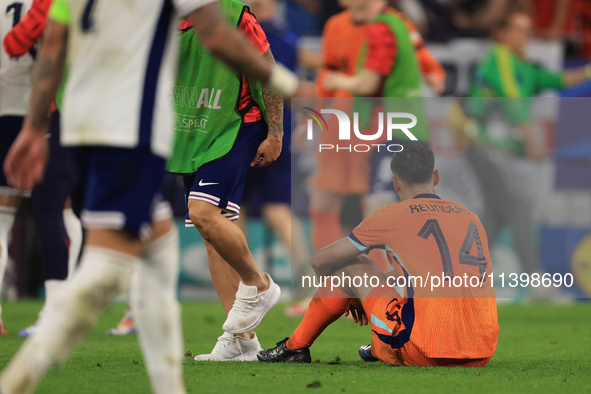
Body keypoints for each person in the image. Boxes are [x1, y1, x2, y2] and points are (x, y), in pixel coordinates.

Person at [0, 0, 311, 392]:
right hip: (131, 134)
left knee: (159, 254)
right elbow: (217, 35)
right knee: (107, 270)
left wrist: (33, 127)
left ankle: (194, 369)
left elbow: (28, 44)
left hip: (79, 128)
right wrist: (290, 83)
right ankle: (16, 381)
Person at [258, 143, 500, 367]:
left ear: (395, 183)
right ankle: (378, 345)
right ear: (435, 177)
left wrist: (346, 292)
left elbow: (319, 259)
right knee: (397, 281)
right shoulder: (470, 217)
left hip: (426, 352)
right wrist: (362, 292)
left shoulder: (392, 216)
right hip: (481, 352)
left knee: (354, 265)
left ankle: (295, 348)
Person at [167, 0, 284, 360]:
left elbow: (269, 71)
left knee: (202, 212)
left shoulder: (236, 15)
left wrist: (276, 132)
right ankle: (242, 342)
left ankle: (260, 284)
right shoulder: (160, 17)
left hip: (236, 124)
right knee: (212, 230)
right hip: (192, 130)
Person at [449, 9, 591, 293]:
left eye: (527, 30)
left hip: (498, 146)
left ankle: (462, 279)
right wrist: (532, 143)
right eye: (518, 28)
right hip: (481, 143)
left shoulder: (524, 66)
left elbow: (558, 81)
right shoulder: (499, 57)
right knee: (518, 203)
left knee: (496, 212)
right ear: (501, 32)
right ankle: (536, 279)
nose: (524, 36)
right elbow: (513, 101)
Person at [0, 0, 82, 336]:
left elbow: (14, 43)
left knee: (7, 216)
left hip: (15, 107)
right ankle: (65, 306)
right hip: (64, 108)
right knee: (65, 208)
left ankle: (60, 308)